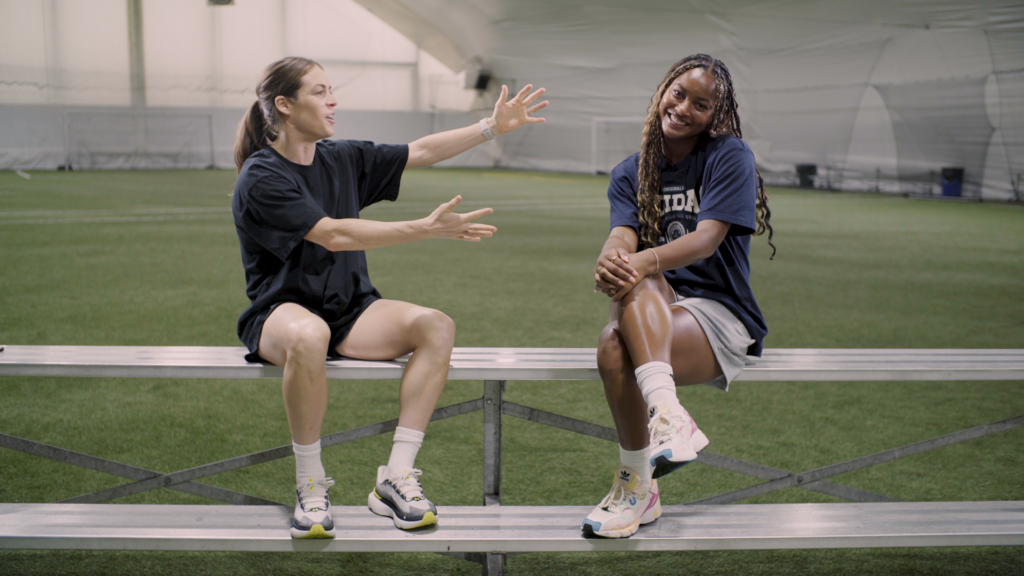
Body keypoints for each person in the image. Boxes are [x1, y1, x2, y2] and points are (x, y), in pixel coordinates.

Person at [231, 57, 547, 538]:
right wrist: (423, 229)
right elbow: (333, 234)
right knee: (310, 334)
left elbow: (418, 150)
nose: (333, 100)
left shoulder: (340, 157)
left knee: (436, 326)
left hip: (350, 310)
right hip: (281, 314)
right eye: (319, 91)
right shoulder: (261, 176)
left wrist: (489, 127)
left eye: (331, 89)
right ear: (284, 105)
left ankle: (395, 478)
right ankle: (310, 485)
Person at [582, 54, 774, 539]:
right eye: (679, 93)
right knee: (617, 325)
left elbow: (707, 237)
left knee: (616, 338)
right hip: (656, 307)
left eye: (701, 104)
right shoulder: (632, 171)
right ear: (664, 90)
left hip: (719, 314)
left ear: (716, 115)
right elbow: (622, 235)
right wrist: (611, 256)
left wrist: (638, 261)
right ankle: (665, 424)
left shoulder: (730, 156)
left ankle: (637, 485)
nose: (684, 108)